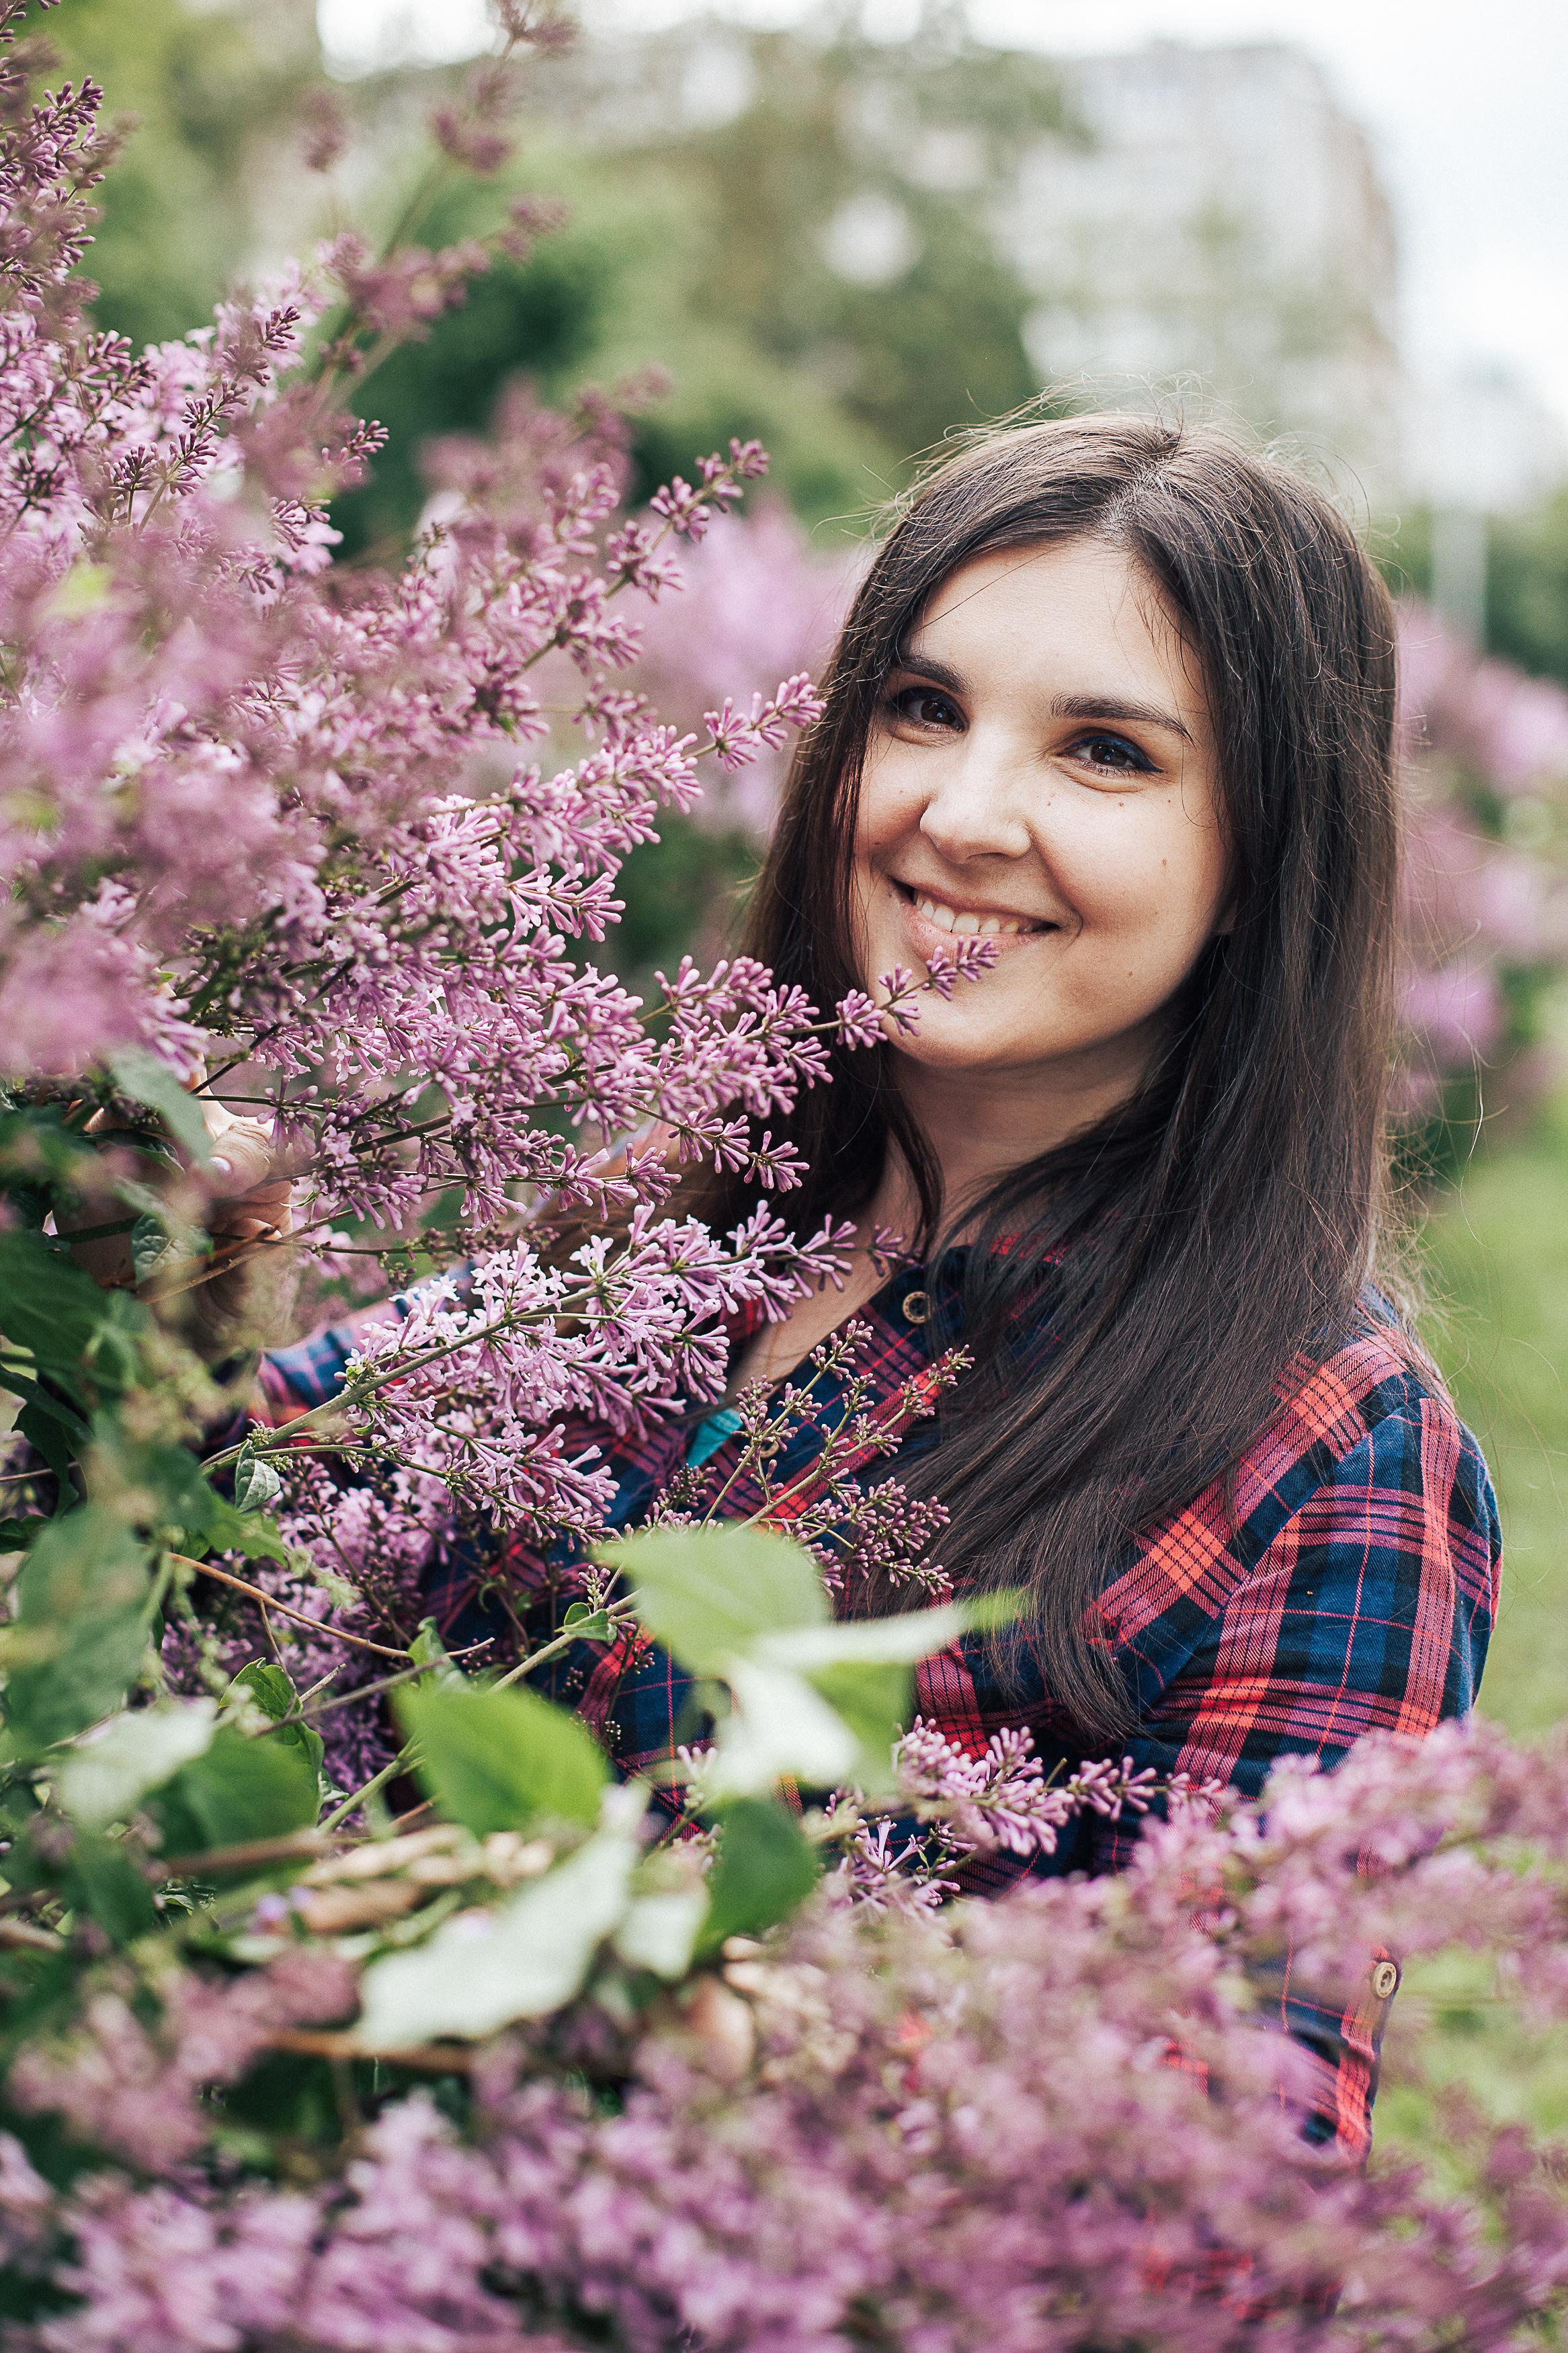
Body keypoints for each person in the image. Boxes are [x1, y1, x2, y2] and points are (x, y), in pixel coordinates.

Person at [256, 415, 1501, 2155]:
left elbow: (1247, 2154)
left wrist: (780, 2028)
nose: (963, 813)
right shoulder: (678, 1239)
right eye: (922, 709)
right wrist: (158, 1255)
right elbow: (227, 1499)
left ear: (1259, 860)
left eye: (1106, 751)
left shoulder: (1328, 1446)